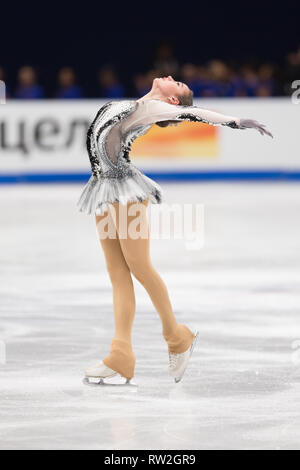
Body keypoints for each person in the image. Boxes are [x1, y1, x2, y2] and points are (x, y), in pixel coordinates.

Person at [78, 76, 273, 386]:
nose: (172, 78)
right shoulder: (139, 104)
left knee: (139, 266)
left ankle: (176, 335)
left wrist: (235, 121)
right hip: (102, 189)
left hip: (124, 190)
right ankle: (121, 355)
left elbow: (193, 113)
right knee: (117, 272)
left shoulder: (156, 108)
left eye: (178, 84)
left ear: (171, 101)